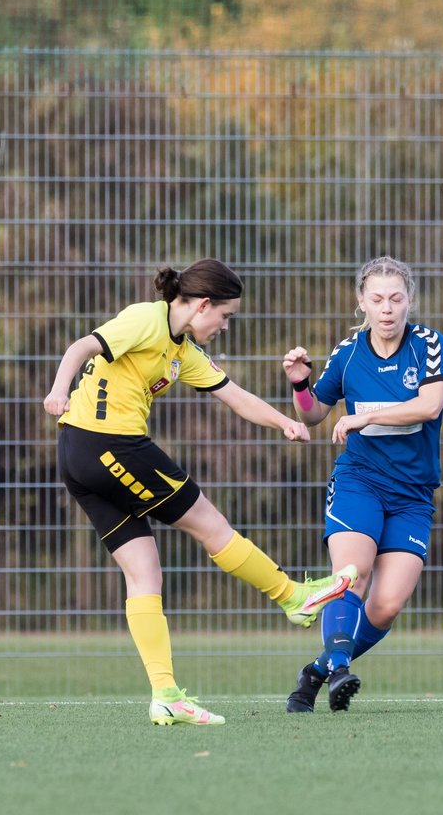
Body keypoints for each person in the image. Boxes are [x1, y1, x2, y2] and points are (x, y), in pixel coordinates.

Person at [43, 258, 358, 727]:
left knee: (144, 574)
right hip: (111, 445)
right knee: (211, 526)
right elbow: (81, 346)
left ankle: (165, 695)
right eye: (225, 316)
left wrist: (286, 422)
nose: (226, 326)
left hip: (80, 454)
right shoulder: (146, 319)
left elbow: (234, 396)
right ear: (203, 304)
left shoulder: (182, 352)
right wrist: (56, 390)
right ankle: (292, 596)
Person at [280, 256, 443, 712]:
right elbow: (314, 413)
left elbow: (429, 406)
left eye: (396, 298)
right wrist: (301, 384)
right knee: (351, 578)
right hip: (360, 481)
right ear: (362, 303)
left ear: (409, 300)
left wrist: (360, 417)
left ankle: (317, 670)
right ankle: (338, 670)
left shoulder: (429, 343)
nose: (387, 308)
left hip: (412, 494)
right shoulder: (349, 351)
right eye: (377, 299)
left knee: (387, 605)